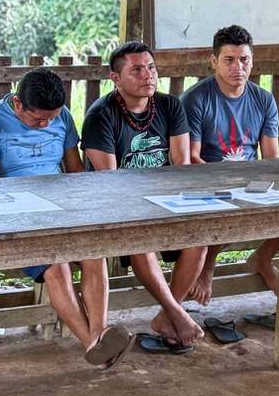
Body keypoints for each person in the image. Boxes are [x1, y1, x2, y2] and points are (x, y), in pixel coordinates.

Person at [0, 68, 134, 371]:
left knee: (93, 252)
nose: (46, 125)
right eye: (38, 120)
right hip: (17, 216)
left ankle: (99, 337)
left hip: (60, 209)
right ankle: (94, 344)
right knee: (57, 266)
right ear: (17, 103)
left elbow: (75, 171)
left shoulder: (63, 116)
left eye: (52, 118)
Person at [81, 41, 205, 349]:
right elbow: (111, 180)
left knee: (200, 239)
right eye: (136, 69)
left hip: (164, 200)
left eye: (150, 67)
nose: (147, 75)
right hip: (116, 206)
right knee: (141, 240)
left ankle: (167, 315)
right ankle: (178, 314)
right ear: (116, 78)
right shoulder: (101, 115)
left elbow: (181, 165)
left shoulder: (169, 106)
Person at [180, 24, 279, 305]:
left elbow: (271, 157)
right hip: (206, 181)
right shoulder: (196, 98)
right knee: (225, 208)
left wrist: (263, 183)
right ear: (214, 61)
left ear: (252, 60)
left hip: (251, 182)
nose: (238, 67)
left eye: (244, 59)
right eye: (229, 60)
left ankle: (262, 257)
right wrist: (229, 183)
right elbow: (192, 157)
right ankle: (207, 265)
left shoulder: (263, 99)